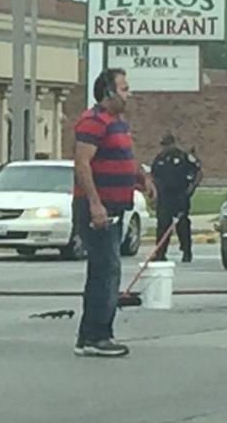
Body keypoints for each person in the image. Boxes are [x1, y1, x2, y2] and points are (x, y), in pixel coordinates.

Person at [72, 68, 143, 358]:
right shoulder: (92, 122)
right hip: (97, 208)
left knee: (107, 269)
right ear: (108, 93)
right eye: (124, 89)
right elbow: (82, 164)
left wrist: (141, 178)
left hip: (117, 205)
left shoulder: (118, 123)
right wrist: (95, 204)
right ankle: (95, 337)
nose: (129, 94)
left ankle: (94, 333)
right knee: (106, 270)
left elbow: (126, 158)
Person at [150, 133, 202, 263]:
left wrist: (191, 189)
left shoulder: (184, 157)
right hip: (164, 197)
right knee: (162, 225)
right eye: (163, 145)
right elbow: (154, 178)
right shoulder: (159, 159)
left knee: (182, 225)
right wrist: (154, 196)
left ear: (173, 143)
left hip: (180, 196)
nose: (165, 147)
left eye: (167, 144)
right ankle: (160, 253)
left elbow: (198, 172)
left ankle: (186, 251)